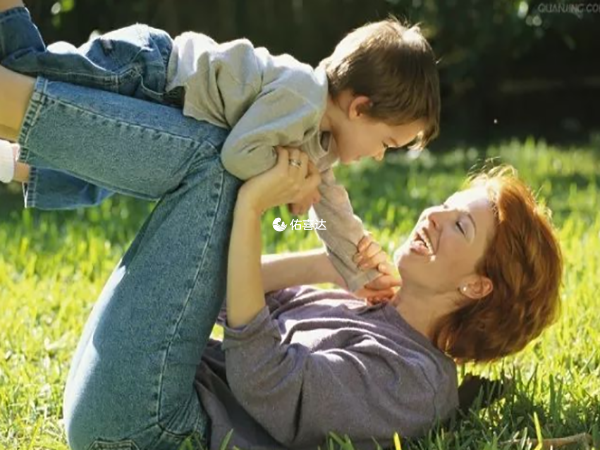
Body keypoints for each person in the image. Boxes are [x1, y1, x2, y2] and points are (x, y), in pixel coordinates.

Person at [0, 69, 562, 450]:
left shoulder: (414, 382)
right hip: (138, 383)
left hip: (150, 428)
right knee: (232, 137)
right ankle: (17, 127)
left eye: (459, 224)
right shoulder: (369, 304)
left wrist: (252, 208)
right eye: (446, 205)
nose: (433, 216)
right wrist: (328, 265)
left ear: (477, 288)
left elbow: (265, 378)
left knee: (223, 156)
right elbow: (214, 295)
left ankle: (17, 113)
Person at [0, 0, 440, 295]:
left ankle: (6, 164)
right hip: (149, 70)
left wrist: (361, 271)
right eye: (386, 143)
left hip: (165, 106)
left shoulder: (318, 144)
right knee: (29, 78)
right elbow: (237, 153)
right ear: (360, 108)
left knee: (94, 175)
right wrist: (290, 187)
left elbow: (332, 212)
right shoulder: (304, 95)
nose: (380, 156)